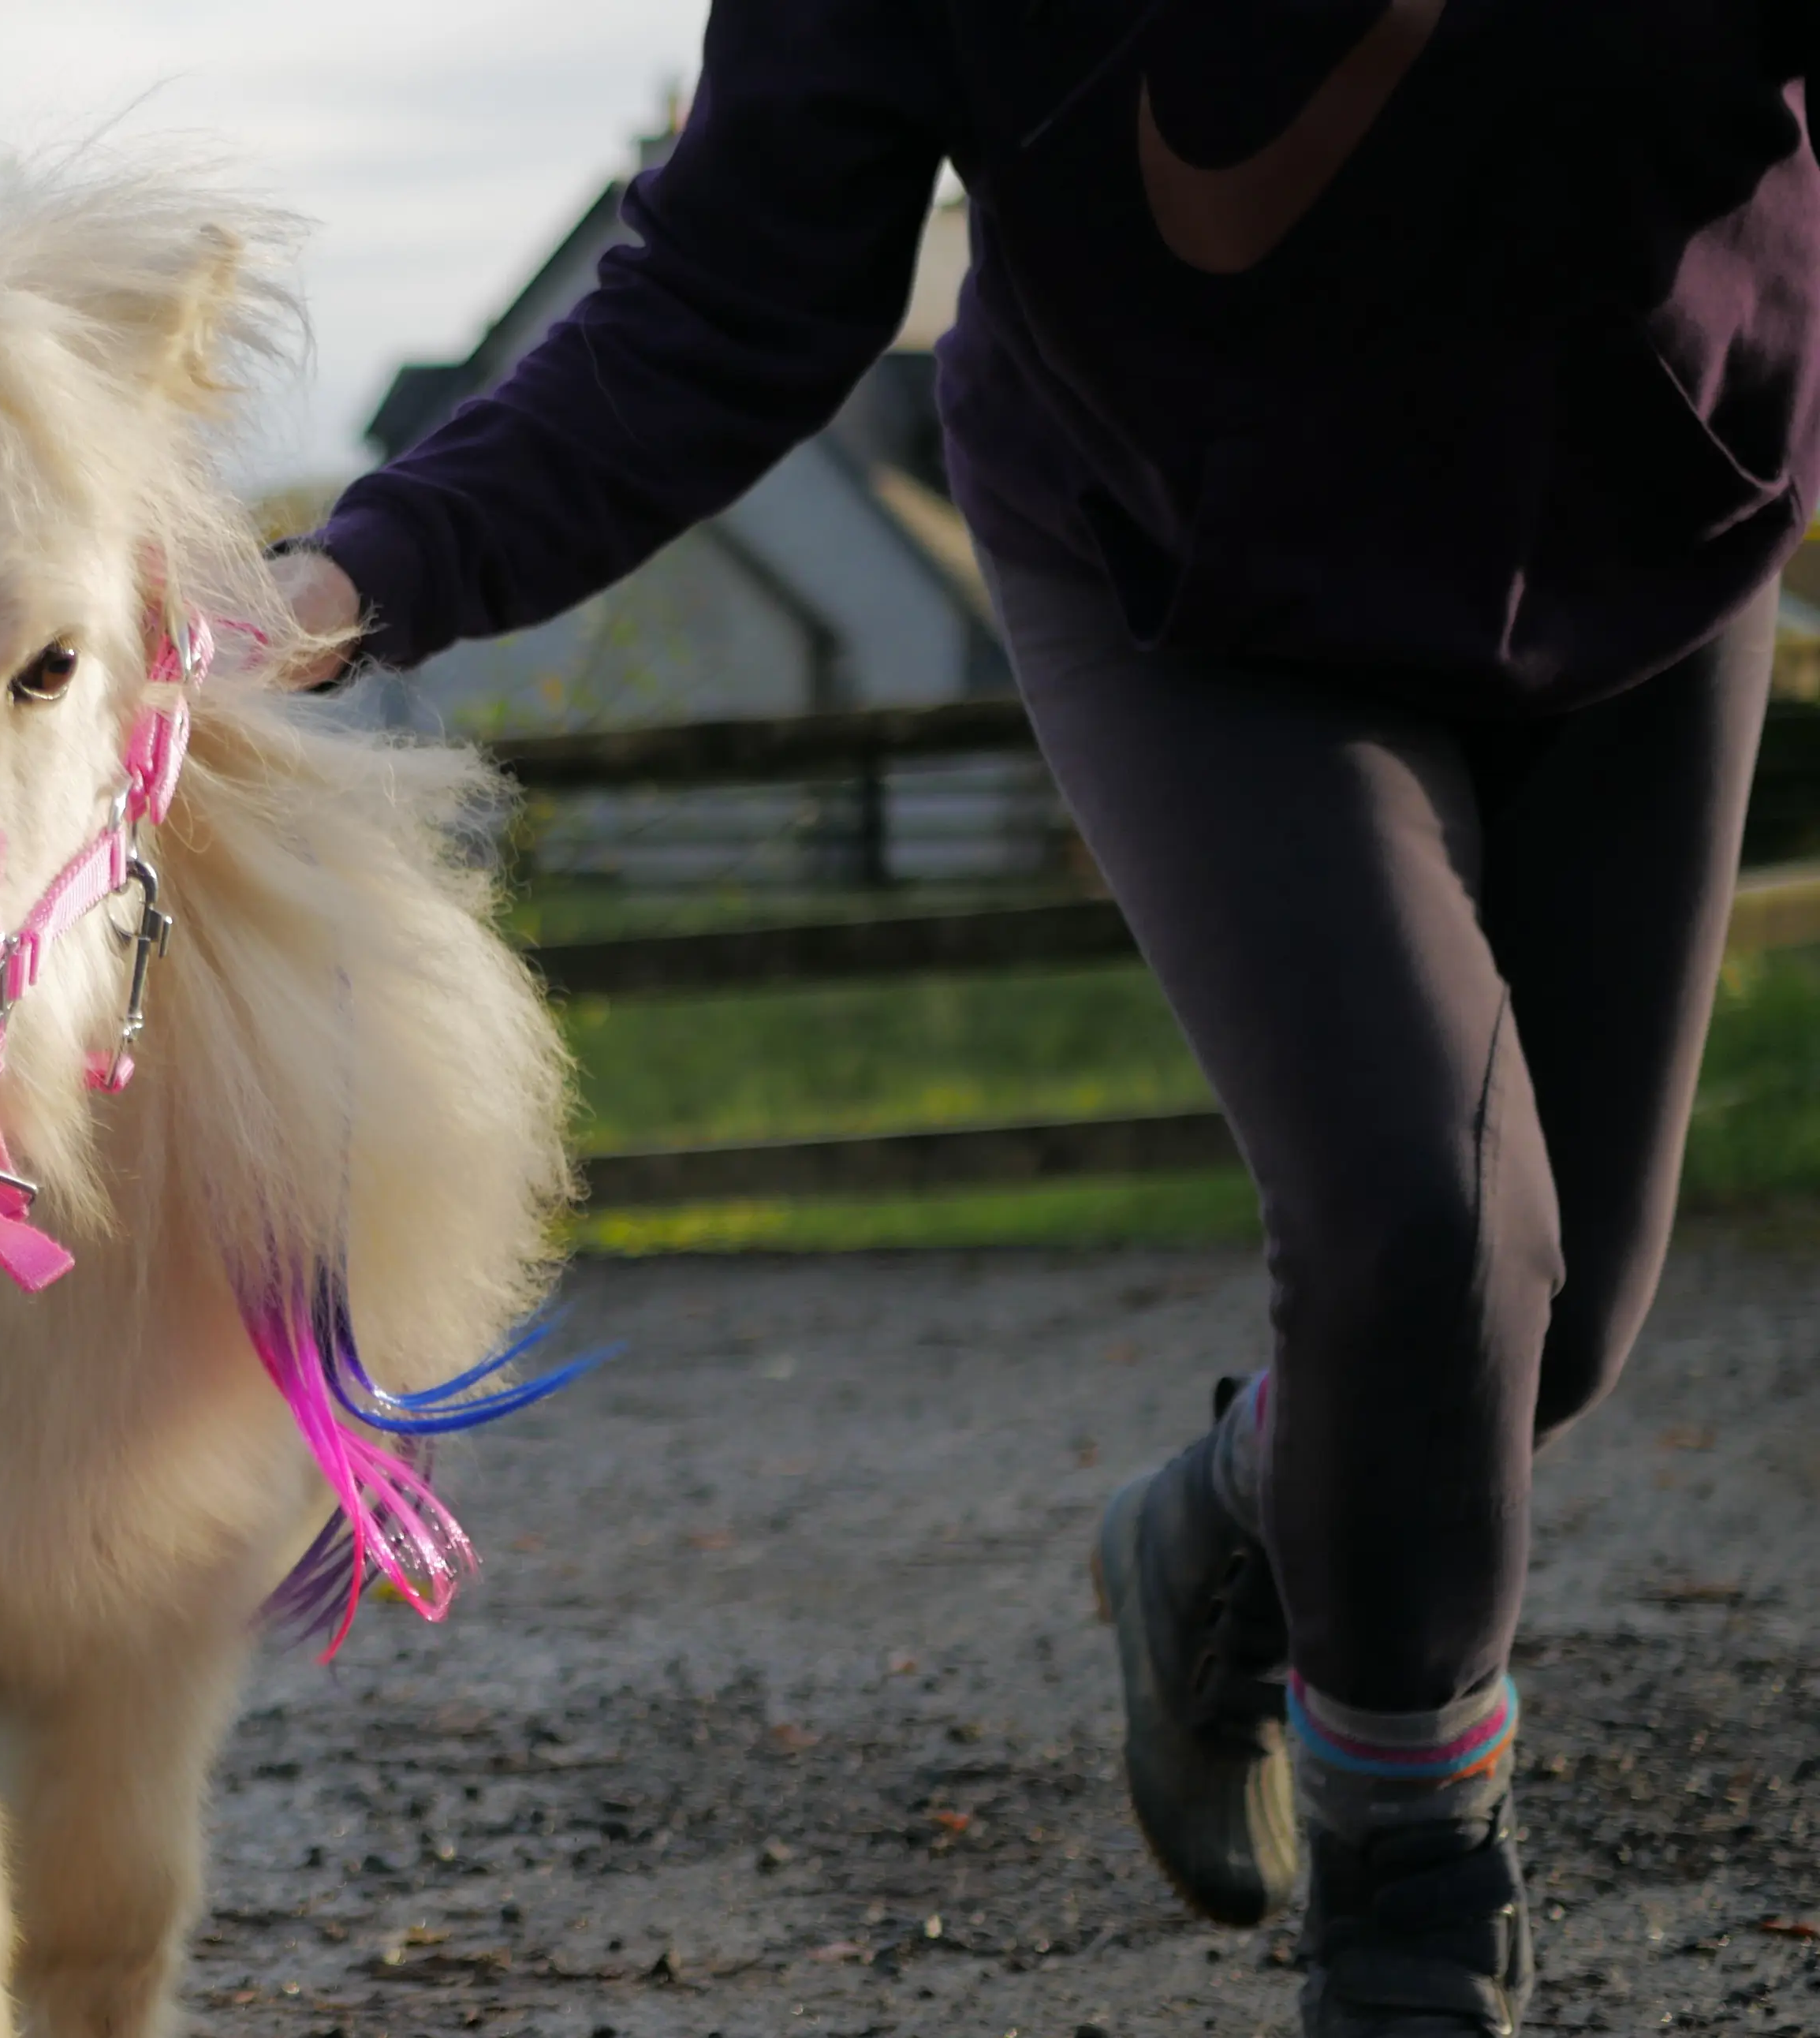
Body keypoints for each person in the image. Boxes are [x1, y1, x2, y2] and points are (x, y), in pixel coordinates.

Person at [271, 8, 1817, 2034]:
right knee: (1426, 1228)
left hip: (1648, 519)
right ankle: (1413, 1915)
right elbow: (726, 294)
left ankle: (1225, 1517)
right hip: (1192, 564)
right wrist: (341, 574)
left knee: (1556, 1321)